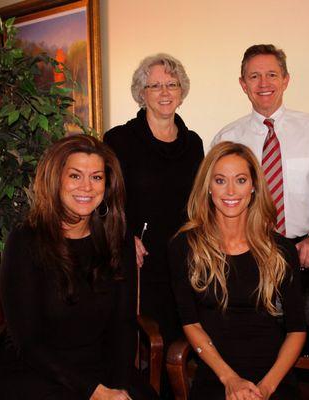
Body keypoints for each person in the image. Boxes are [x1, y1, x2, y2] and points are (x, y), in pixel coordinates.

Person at [0, 135, 158, 399]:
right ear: (56, 179)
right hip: (38, 373)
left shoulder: (119, 240)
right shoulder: (24, 241)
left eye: (96, 177)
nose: (87, 187)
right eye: (75, 176)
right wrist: (95, 392)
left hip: (102, 369)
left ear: (107, 184)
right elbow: (29, 342)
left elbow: (123, 325)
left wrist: (117, 387)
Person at [169, 142, 306, 400]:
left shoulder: (281, 250)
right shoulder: (184, 247)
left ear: (254, 186)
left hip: (273, 379)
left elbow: (296, 330)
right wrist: (229, 379)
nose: (230, 191)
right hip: (215, 373)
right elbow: (191, 323)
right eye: (220, 181)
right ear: (208, 187)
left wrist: (265, 389)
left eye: (240, 180)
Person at [103, 53, 204, 385]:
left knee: (179, 349)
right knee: (143, 350)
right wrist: (123, 236)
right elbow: (103, 200)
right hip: (138, 262)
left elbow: (199, 204)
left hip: (182, 261)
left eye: (172, 84)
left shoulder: (194, 144)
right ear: (141, 92)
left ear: (182, 90)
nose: (164, 92)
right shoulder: (119, 140)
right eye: (155, 85)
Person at [211, 44, 309, 268]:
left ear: (286, 80)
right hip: (242, 251)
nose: (263, 84)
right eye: (254, 76)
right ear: (243, 84)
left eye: (271, 75)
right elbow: (213, 195)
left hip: (305, 252)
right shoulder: (226, 139)